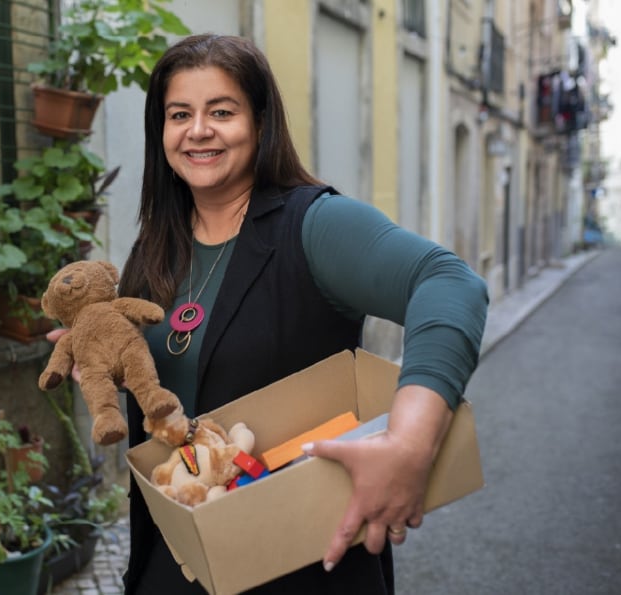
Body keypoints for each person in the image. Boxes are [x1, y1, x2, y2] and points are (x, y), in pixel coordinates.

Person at [61, 33, 487, 593]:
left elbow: (450, 282)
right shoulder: (156, 247)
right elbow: (182, 375)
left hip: (299, 560)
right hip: (175, 555)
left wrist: (411, 443)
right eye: (179, 114)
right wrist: (109, 358)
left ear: (260, 123)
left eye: (222, 111)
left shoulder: (315, 225)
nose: (198, 130)